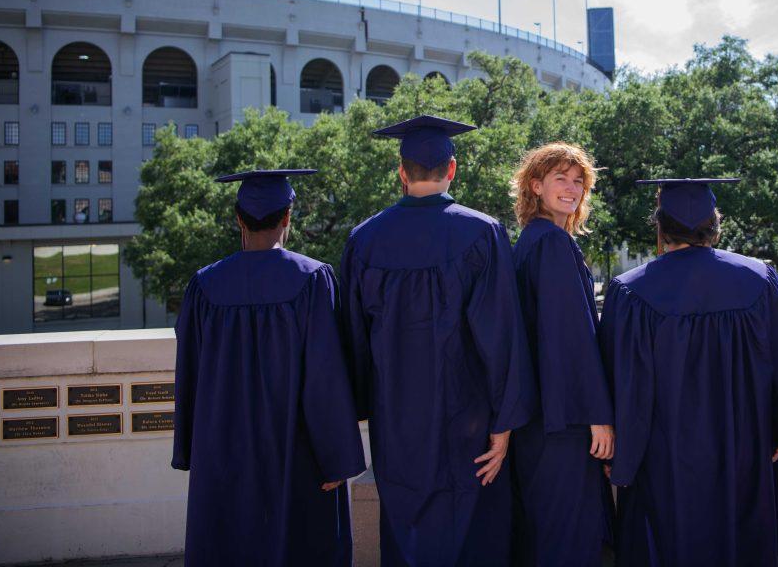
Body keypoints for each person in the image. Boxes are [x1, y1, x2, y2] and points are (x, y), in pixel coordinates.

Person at [339, 115, 536, 566]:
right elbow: (501, 334)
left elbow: (353, 339)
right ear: (452, 169)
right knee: (473, 531)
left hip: (398, 423)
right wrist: (504, 424)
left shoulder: (363, 241)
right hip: (469, 420)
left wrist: (366, 407)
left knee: (409, 529)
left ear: (401, 172)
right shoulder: (482, 233)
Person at [599, 178, 778, 566]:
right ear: (715, 226)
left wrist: (623, 451)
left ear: (660, 228)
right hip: (745, 443)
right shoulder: (760, 279)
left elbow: (622, 381)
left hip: (663, 454)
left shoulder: (629, 291)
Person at [173, 169, 366, 567]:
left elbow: (189, 373)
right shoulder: (313, 279)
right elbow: (325, 376)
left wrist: (194, 448)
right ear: (288, 217)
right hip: (296, 456)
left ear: (238, 219)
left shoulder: (205, 286)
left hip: (223, 454)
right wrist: (337, 457)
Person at [508, 143, 615, 566]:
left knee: (546, 529)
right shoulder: (551, 244)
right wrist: (599, 415)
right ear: (536, 185)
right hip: (564, 418)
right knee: (567, 533)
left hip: (539, 414)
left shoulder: (531, 241)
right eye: (560, 179)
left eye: (579, 182)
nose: (572, 189)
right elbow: (571, 337)